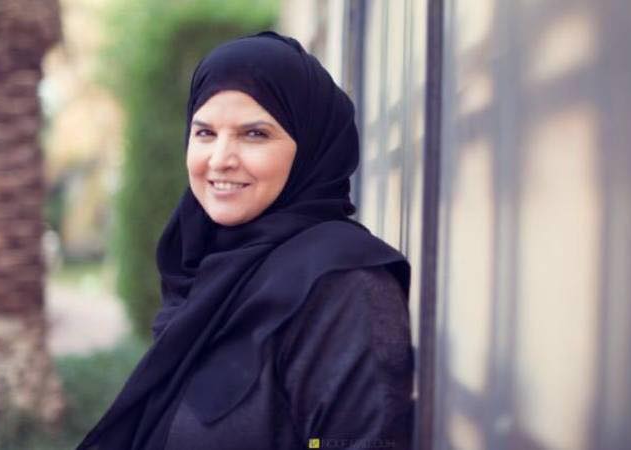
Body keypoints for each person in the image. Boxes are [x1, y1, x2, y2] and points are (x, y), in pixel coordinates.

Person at [77, 31, 413, 450]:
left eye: (254, 134)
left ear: (310, 145)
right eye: (205, 133)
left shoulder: (344, 286)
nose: (220, 159)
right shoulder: (208, 267)